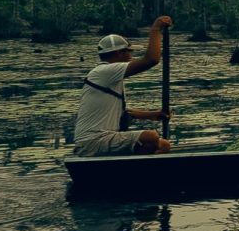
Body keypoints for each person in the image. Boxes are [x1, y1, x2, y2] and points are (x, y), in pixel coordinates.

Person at [73, 19, 176, 157]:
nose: (130, 56)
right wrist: (156, 28)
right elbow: (151, 60)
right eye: (128, 52)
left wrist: (153, 114)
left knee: (163, 145)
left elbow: (124, 113)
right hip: (94, 141)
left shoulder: (109, 77)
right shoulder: (105, 71)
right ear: (118, 54)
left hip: (100, 140)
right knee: (151, 137)